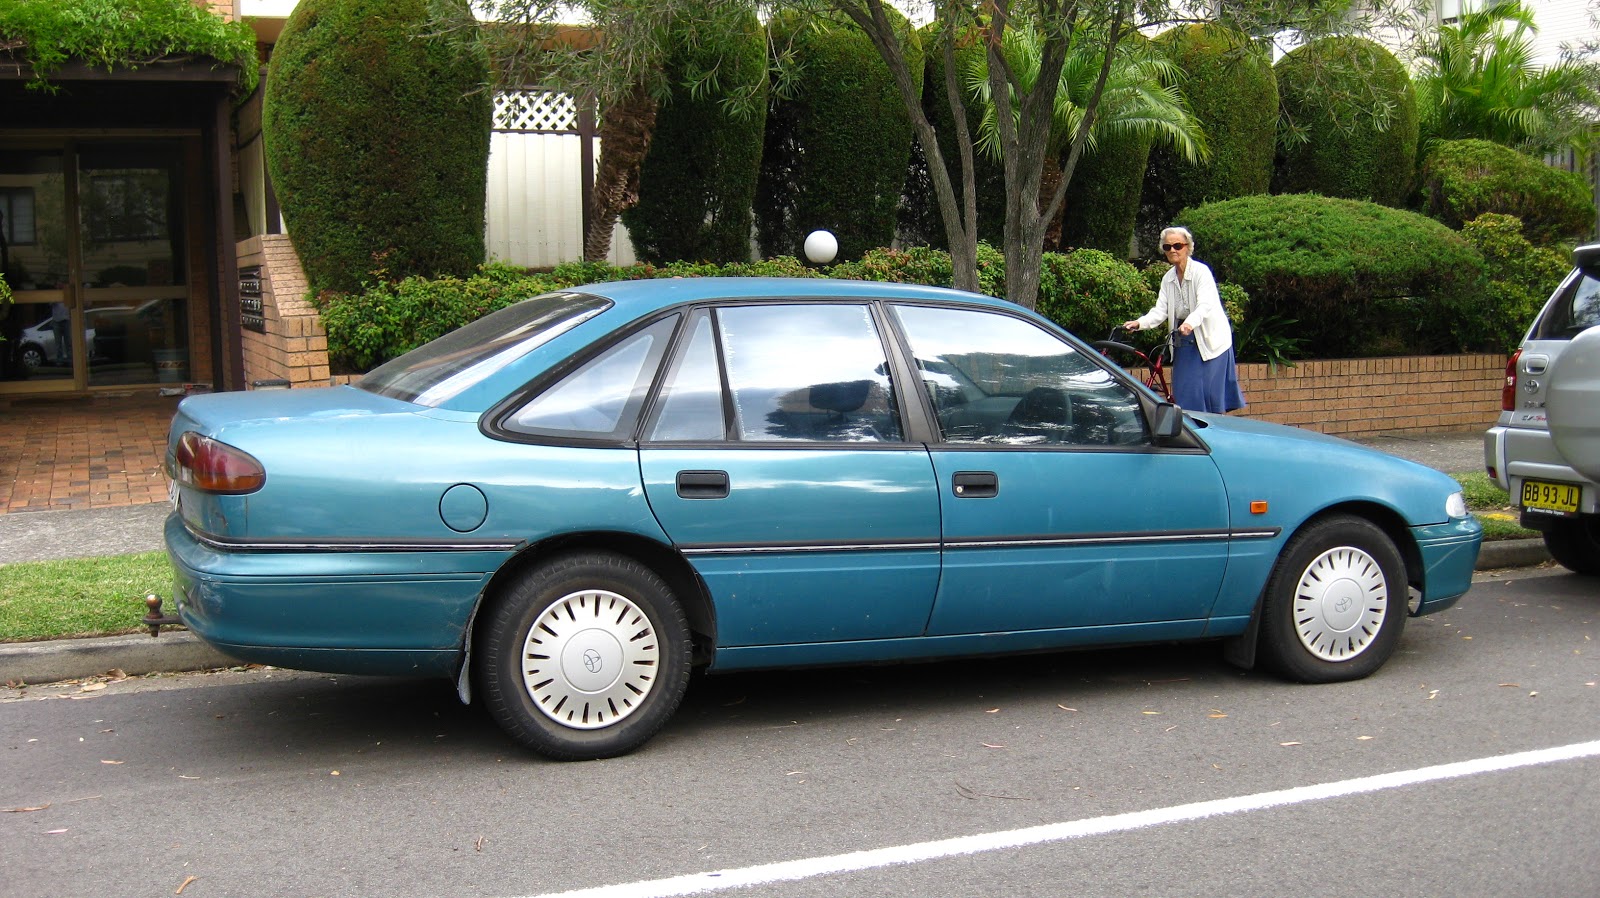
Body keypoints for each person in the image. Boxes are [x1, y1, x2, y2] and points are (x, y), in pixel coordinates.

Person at [1123, 226, 1245, 413]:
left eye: (1177, 246)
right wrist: (1139, 323)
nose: (1172, 250)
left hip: (1211, 339)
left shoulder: (1201, 272)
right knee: (1185, 389)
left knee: (1209, 394)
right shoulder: (1168, 278)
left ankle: (1211, 430)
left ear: (1188, 247)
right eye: (1167, 247)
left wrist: (1190, 323)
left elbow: (1206, 304)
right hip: (1184, 338)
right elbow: (1160, 310)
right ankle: (1190, 428)